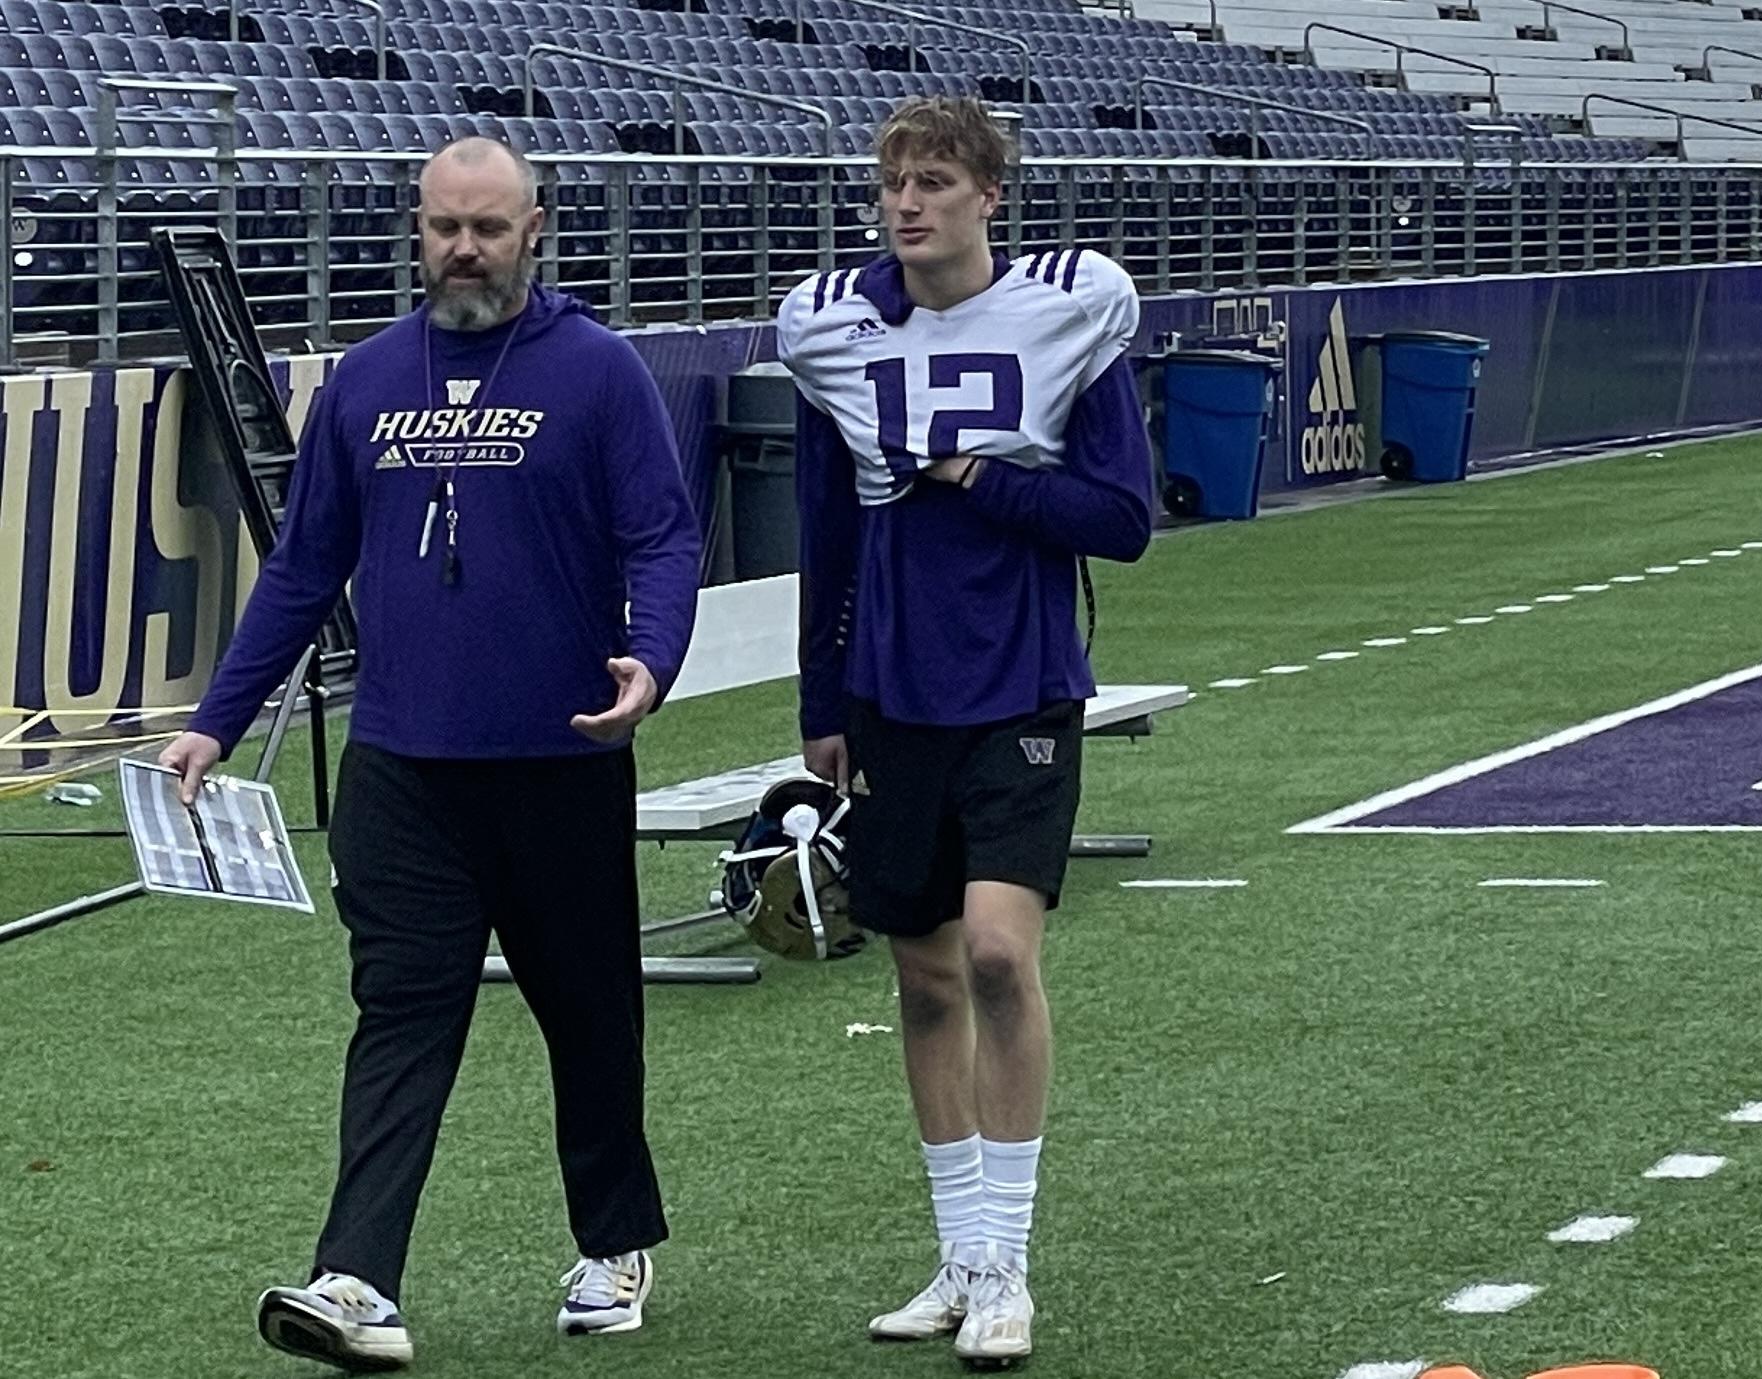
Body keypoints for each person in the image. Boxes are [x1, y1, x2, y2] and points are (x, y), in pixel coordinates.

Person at [154, 137, 702, 1371]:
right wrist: (215, 718)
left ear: (534, 231)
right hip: (403, 768)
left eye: (488, 228)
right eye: (445, 226)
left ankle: (614, 1240)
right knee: (400, 1014)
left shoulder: (599, 372)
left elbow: (663, 537)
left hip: (561, 758)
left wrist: (652, 659)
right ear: (417, 230)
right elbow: (304, 563)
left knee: (590, 1015)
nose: (464, 248)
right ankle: (356, 1277)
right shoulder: (365, 381)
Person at [775, 95, 1157, 1370]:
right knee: (925, 974)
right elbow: (826, 528)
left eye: (935, 181)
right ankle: (959, 1252)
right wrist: (821, 702)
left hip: (1021, 677)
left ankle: (1007, 1261)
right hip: (892, 690)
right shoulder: (833, 327)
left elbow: (1121, 518)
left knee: (997, 952)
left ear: (990, 196)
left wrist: (977, 473)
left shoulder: (1067, 311)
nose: (907, 204)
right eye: (894, 183)